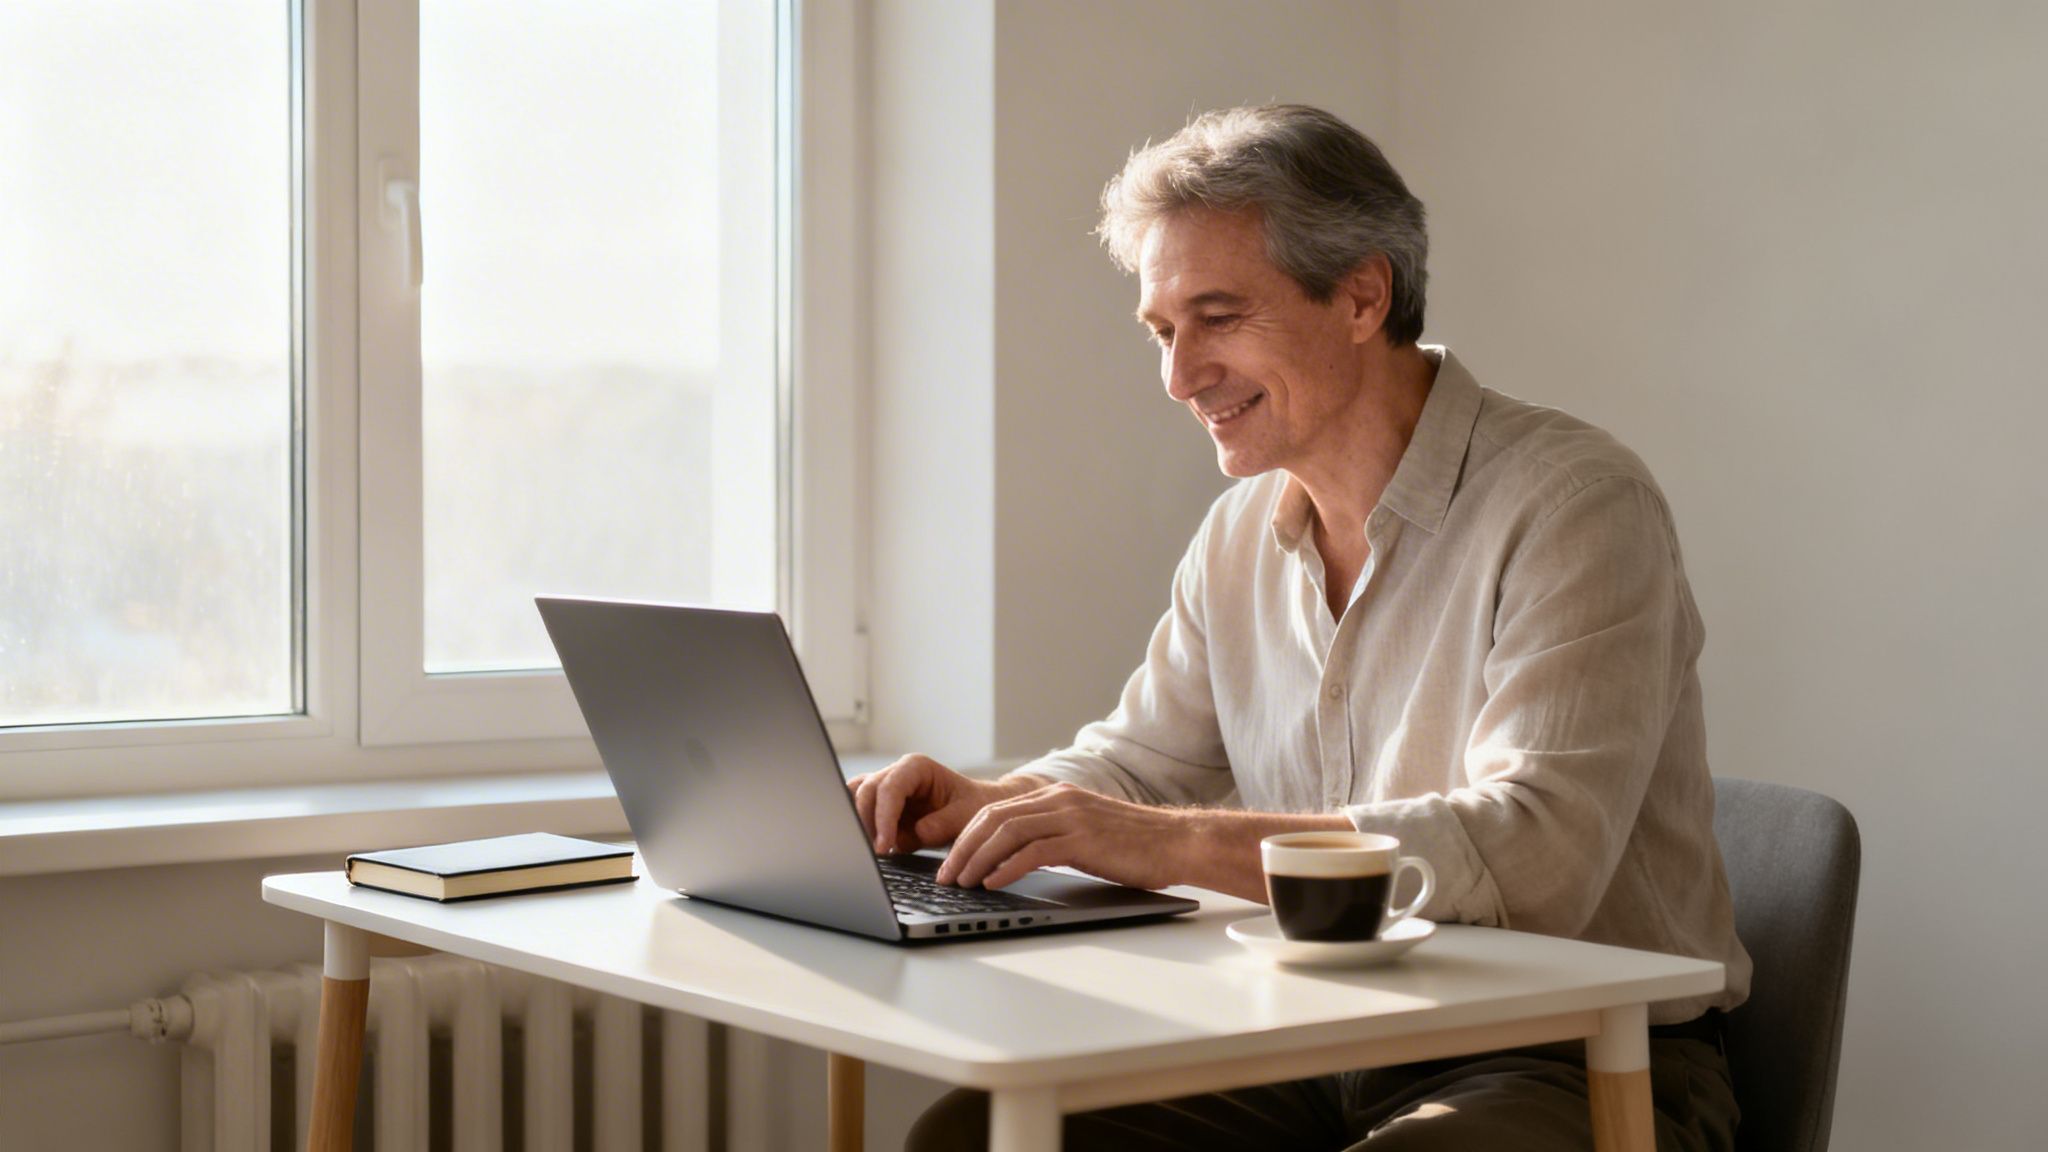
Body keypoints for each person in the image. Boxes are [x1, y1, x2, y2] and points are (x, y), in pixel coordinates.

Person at [851, 103, 1751, 1151]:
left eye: (1218, 318)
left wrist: (1160, 842)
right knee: (972, 1137)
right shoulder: (1239, 533)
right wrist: (991, 806)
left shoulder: (1573, 504)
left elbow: (1536, 854)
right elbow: (1140, 769)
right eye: (1161, 330)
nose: (1178, 378)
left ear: (1361, 295)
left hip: (1569, 1060)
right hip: (1312, 1039)